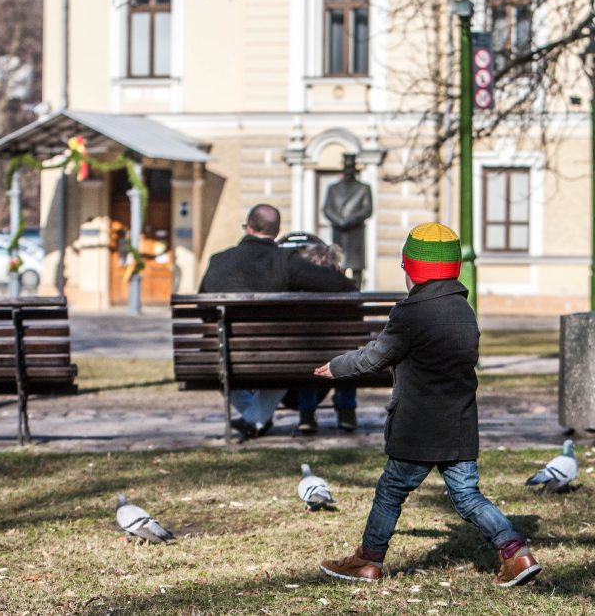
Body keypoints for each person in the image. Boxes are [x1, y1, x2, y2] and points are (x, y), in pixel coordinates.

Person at [314, 223, 542, 587]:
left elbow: (376, 356)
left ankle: (367, 561)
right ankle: (516, 552)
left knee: (391, 491)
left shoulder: (409, 314)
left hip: (418, 427)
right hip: (459, 424)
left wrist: (337, 367)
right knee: (468, 496)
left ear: (413, 270)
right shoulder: (465, 311)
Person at [198, 204, 355, 439]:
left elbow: (202, 309)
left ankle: (256, 418)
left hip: (220, 358)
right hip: (275, 358)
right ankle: (256, 417)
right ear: (276, 231)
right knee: (283, 362)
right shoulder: (285, 261)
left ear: (248, 228)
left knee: (230, 371)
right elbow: (339, 284)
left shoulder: (218, 260)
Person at [292, 242, 358, 434]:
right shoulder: (347, 287)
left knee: (306, 361)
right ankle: (347, 412)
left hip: (307, 354)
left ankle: (307, 415)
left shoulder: (300, 289)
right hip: (342, 356)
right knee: (349, 353)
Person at [322, 153, 372, 288]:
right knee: (338, 265)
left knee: (356, 268)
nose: (349, 170)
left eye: (351, 167)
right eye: (346, 167)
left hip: (355, 234)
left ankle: (357, 295)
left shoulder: (363, 188)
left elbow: (367, 209)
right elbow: (327, 209)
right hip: (338, 232)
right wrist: (338, 220)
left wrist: (350, 220)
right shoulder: (333, 188)